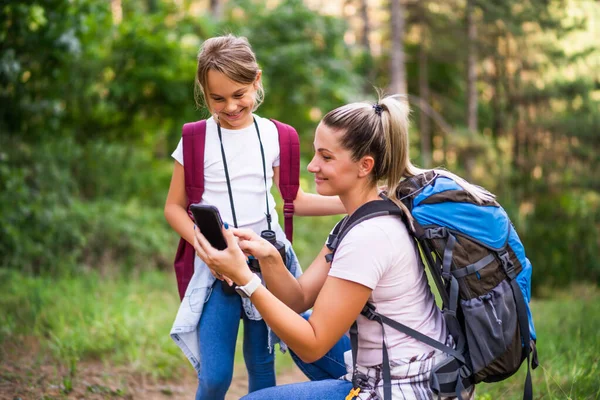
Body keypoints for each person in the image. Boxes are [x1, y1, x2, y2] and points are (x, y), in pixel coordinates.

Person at [192, 94, 482, 399]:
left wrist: (245, 279)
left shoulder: (370, 237)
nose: (312, 166)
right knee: (297, 325)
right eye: (316, 154)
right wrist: (269, 258)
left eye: (326, 157)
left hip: (410, 388)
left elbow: (314, 343)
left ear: (364, 166)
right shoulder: (354, 222)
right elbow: (299, 299)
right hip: (402, 370)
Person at [164, 34, 345, 400]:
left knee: (261, 369)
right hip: (218, 265)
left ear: (256, 81)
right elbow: (173, 207)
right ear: (204, 92)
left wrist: (355, 203)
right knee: (214, 377)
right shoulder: (195, 138)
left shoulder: (279, 136)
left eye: (239, 94)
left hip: (265, 264)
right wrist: (202, 246)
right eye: (218, 98)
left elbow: (294, 200)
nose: (230, 106)